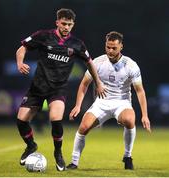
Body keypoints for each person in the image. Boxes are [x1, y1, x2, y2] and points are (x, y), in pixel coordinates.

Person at [16, 8, 106, 171]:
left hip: (58, 89)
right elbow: (22, 48)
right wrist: (20, 63)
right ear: (57, 22)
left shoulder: (77, 44)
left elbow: (89, 62)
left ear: (73, 25)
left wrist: (98, 82)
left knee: (55, 118)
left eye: (69, 24)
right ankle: (30, 146)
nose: (66, 27)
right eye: (63, 23)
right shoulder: (43, 36)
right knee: (21, 120)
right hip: (37, 87)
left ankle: (58, 153)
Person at [66, 31, 151, 170]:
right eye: (108, 47)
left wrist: (145, 115)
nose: (110, 51)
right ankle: (74, 162)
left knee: (130, 120)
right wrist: (77, 105)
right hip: (101, 103)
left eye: (114, 48)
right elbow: (84, 84)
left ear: (121, 47)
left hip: (122, 103)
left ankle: (127, 156)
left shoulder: (131, 65)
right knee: (83, 127)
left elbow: (140, 91)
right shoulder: (97, 62)